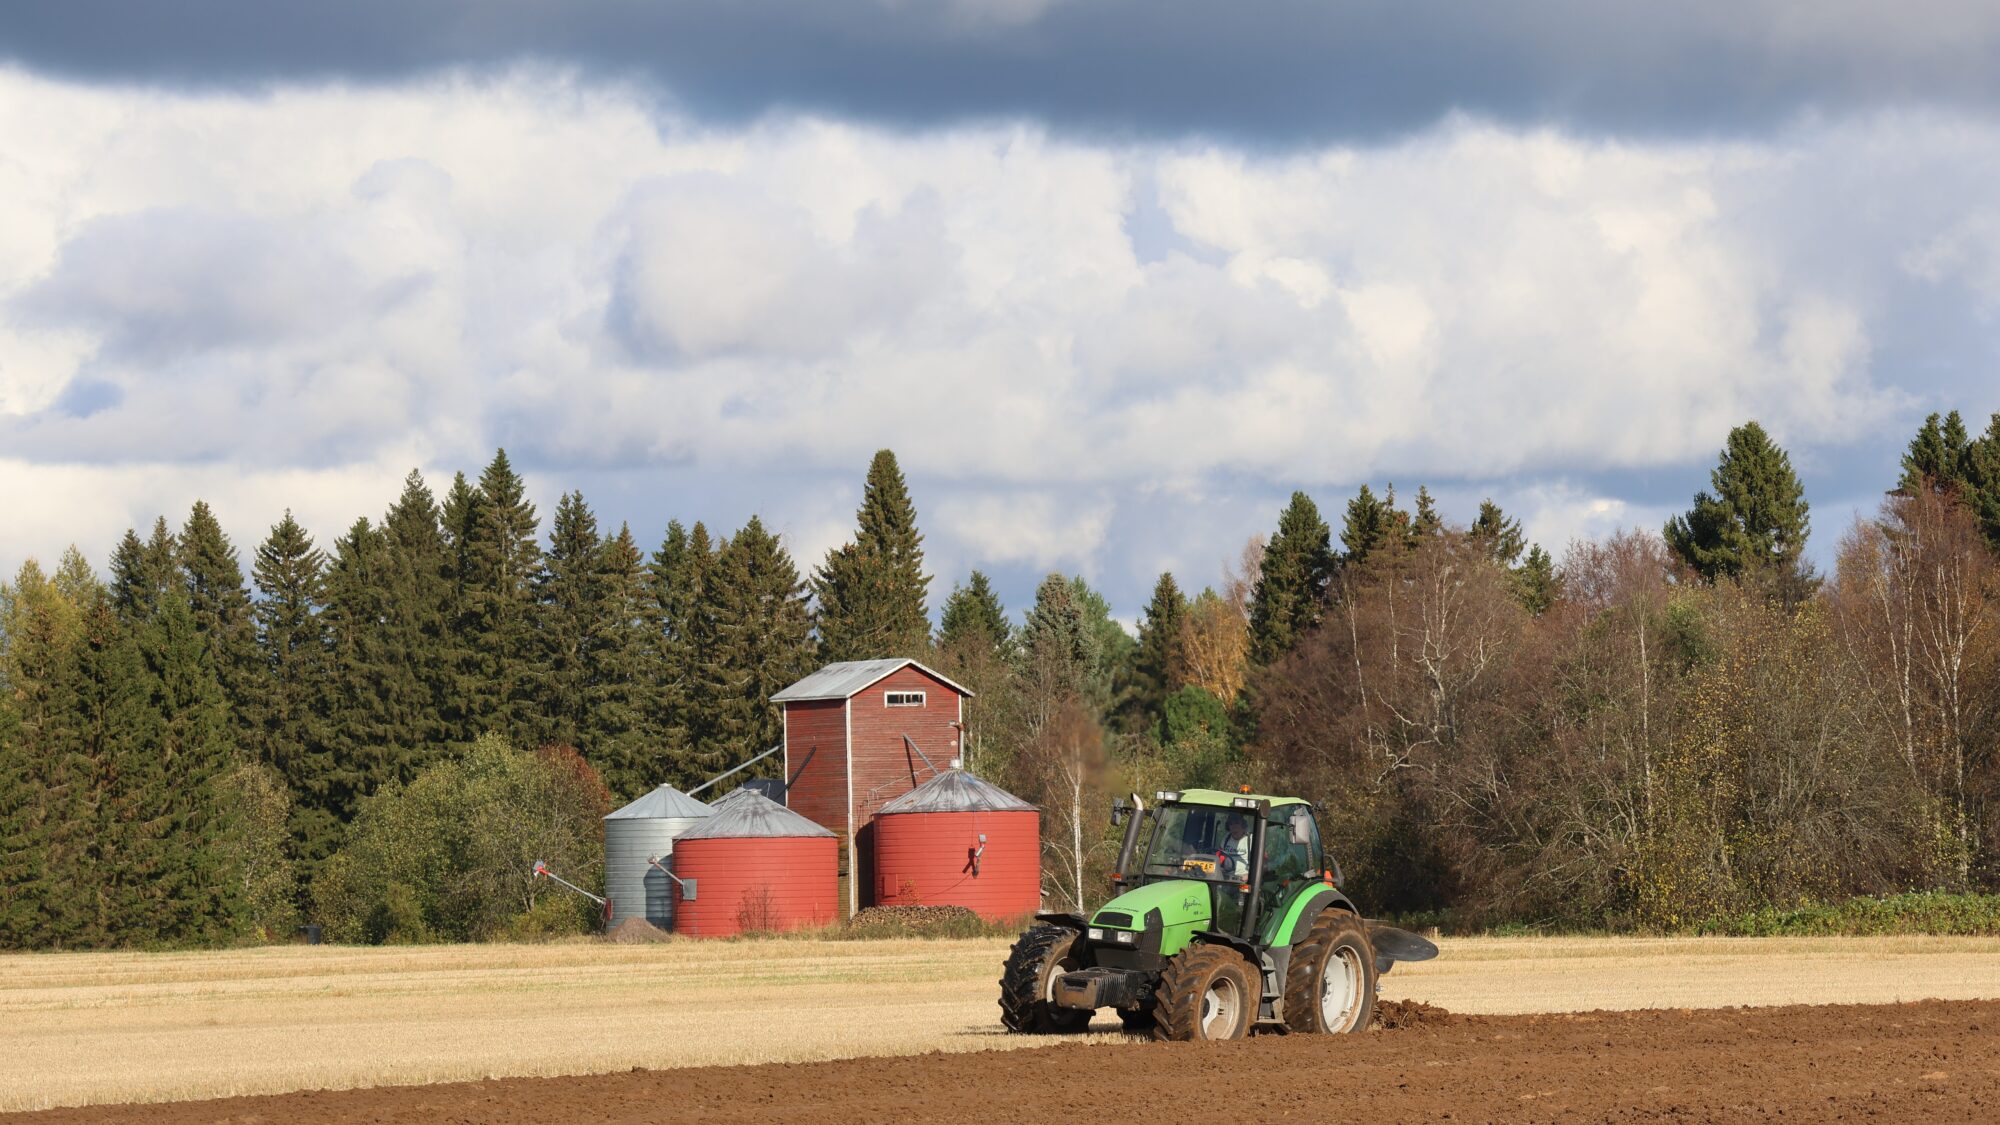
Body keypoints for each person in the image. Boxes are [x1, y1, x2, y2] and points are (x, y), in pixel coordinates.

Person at [1220, 814, 1251, 879]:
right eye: (1231, 824)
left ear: (1243, 826)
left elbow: (1262, 865)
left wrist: (1249, 876)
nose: (1234, 827)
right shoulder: (1226, 839)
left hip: (1244, 879)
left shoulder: (1251, 840)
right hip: (1225, 877)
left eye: (1237, 823)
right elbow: (1220, 857)